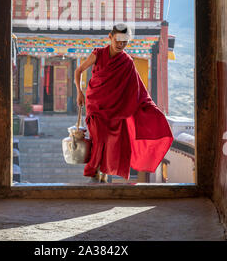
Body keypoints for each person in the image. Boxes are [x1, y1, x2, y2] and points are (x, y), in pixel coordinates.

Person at [74, 23, 173, 183]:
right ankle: (95, 172)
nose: (120, 45)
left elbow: (138, 89)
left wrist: (150, 108)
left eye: (125, 42)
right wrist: (79, 91)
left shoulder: (127, 61)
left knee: (109, 142)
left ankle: (102, 174)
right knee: (99, 138)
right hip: (95, 104)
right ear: (110, 37)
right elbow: (78, 71)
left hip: (114, 108)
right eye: (118, 40)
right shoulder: (98, 54)